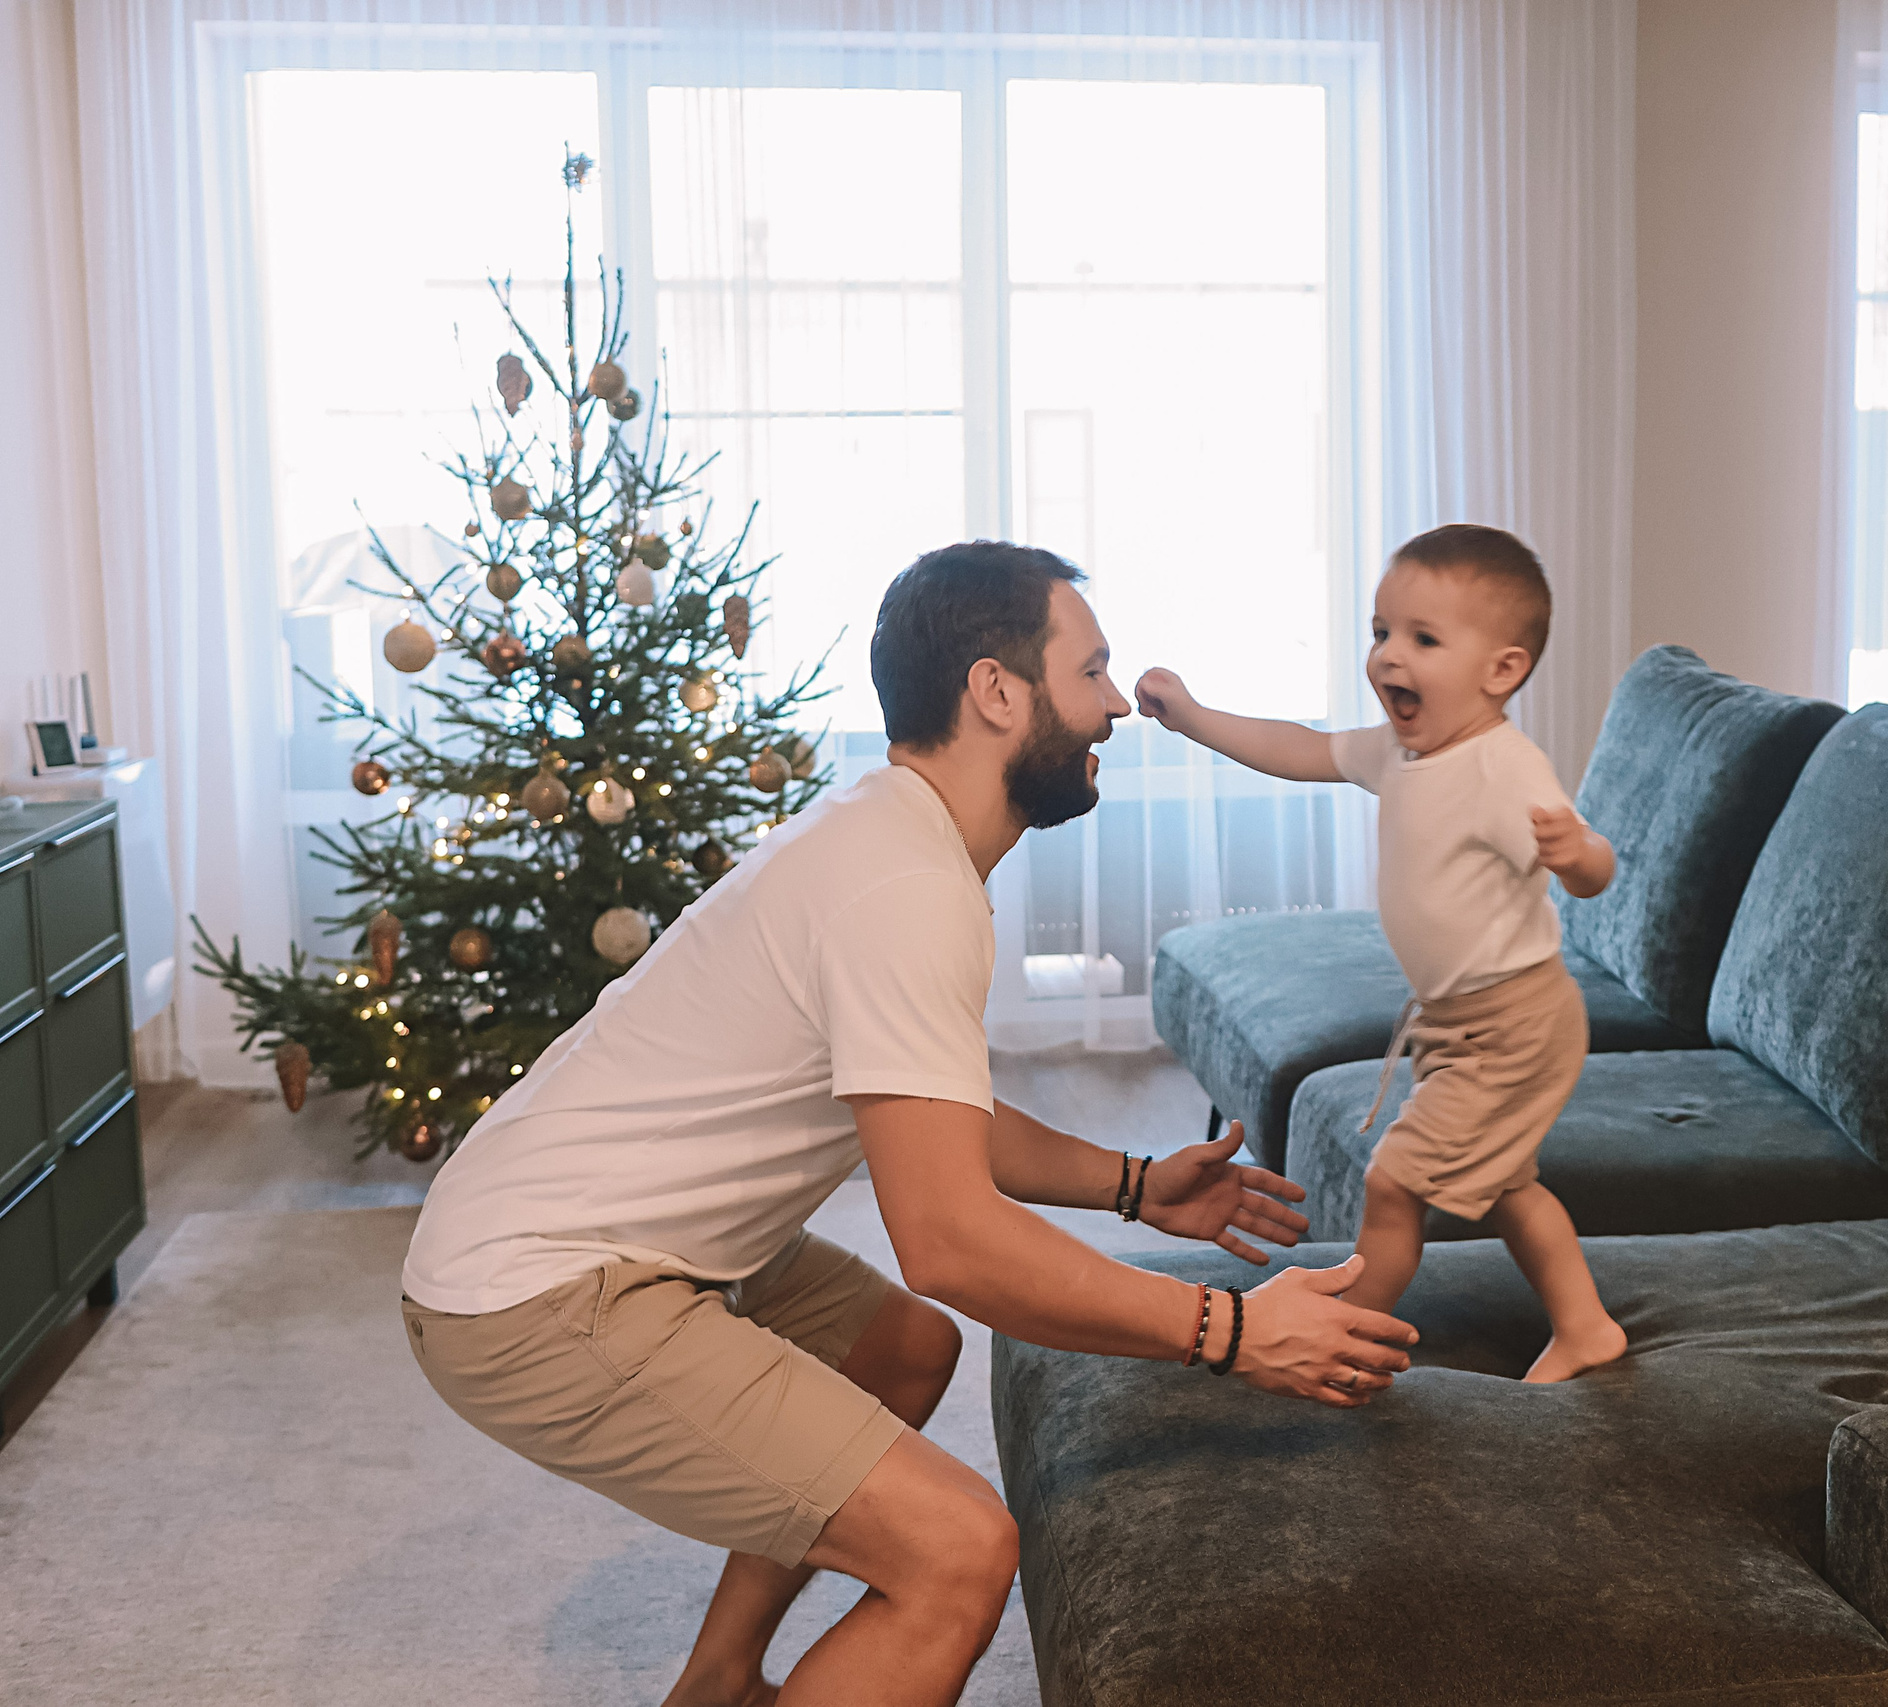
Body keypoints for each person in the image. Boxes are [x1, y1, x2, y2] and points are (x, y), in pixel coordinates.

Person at [399, 540, 1420, 1707]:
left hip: (603, 1226)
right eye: (1089, 675)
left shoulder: (889, 837)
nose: (1109, 712)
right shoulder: (906, 892)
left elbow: (933, 1112)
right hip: (537, 1290)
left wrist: (1134, 1185)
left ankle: (721, 1680)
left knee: (902, 1346)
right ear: (997, 691)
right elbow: (949, 1241)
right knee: (958, 1553)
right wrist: (1230, 1329)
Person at [1135, 523, 1627, 1384]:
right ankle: (1585, 1325)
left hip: (1515, 1025)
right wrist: (1198, 718)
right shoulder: (1402, 751)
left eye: (1423, 639)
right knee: (1507, 1184)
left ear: (1501, 670)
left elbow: (1596, 864)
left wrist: (1575, 855)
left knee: (1395, 1180)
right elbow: (1299, 748)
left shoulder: (1502, 769)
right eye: (1381, 631)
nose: (1389, 656)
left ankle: (1346, 1330)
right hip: (1454, 1021)